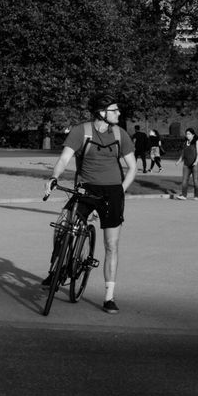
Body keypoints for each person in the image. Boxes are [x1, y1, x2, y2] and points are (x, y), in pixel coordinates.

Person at [44, 93, 137, 314]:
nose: (119, 113)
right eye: (114, 110)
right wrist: (53, 177)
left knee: (111, 245)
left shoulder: (120, 134)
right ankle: (57, 268)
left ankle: (109, 297)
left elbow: (132, 168)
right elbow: (64, 160)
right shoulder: (81, 131)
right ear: (101, 112)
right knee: (63, 226)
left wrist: (120, 192)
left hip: (113, 191)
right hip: (86, 188)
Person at [177, 128, 198, 200]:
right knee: (184, 180)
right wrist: (179, 161)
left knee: (195, 180)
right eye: (186, 134)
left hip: (195, 164)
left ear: (193, 135)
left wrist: (196, 162)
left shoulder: (197, 142)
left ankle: (196, 196)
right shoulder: (185, 143)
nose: (187, 135)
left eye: (189, 134)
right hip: (186, 164)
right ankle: (184, 195)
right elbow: (183, 153)